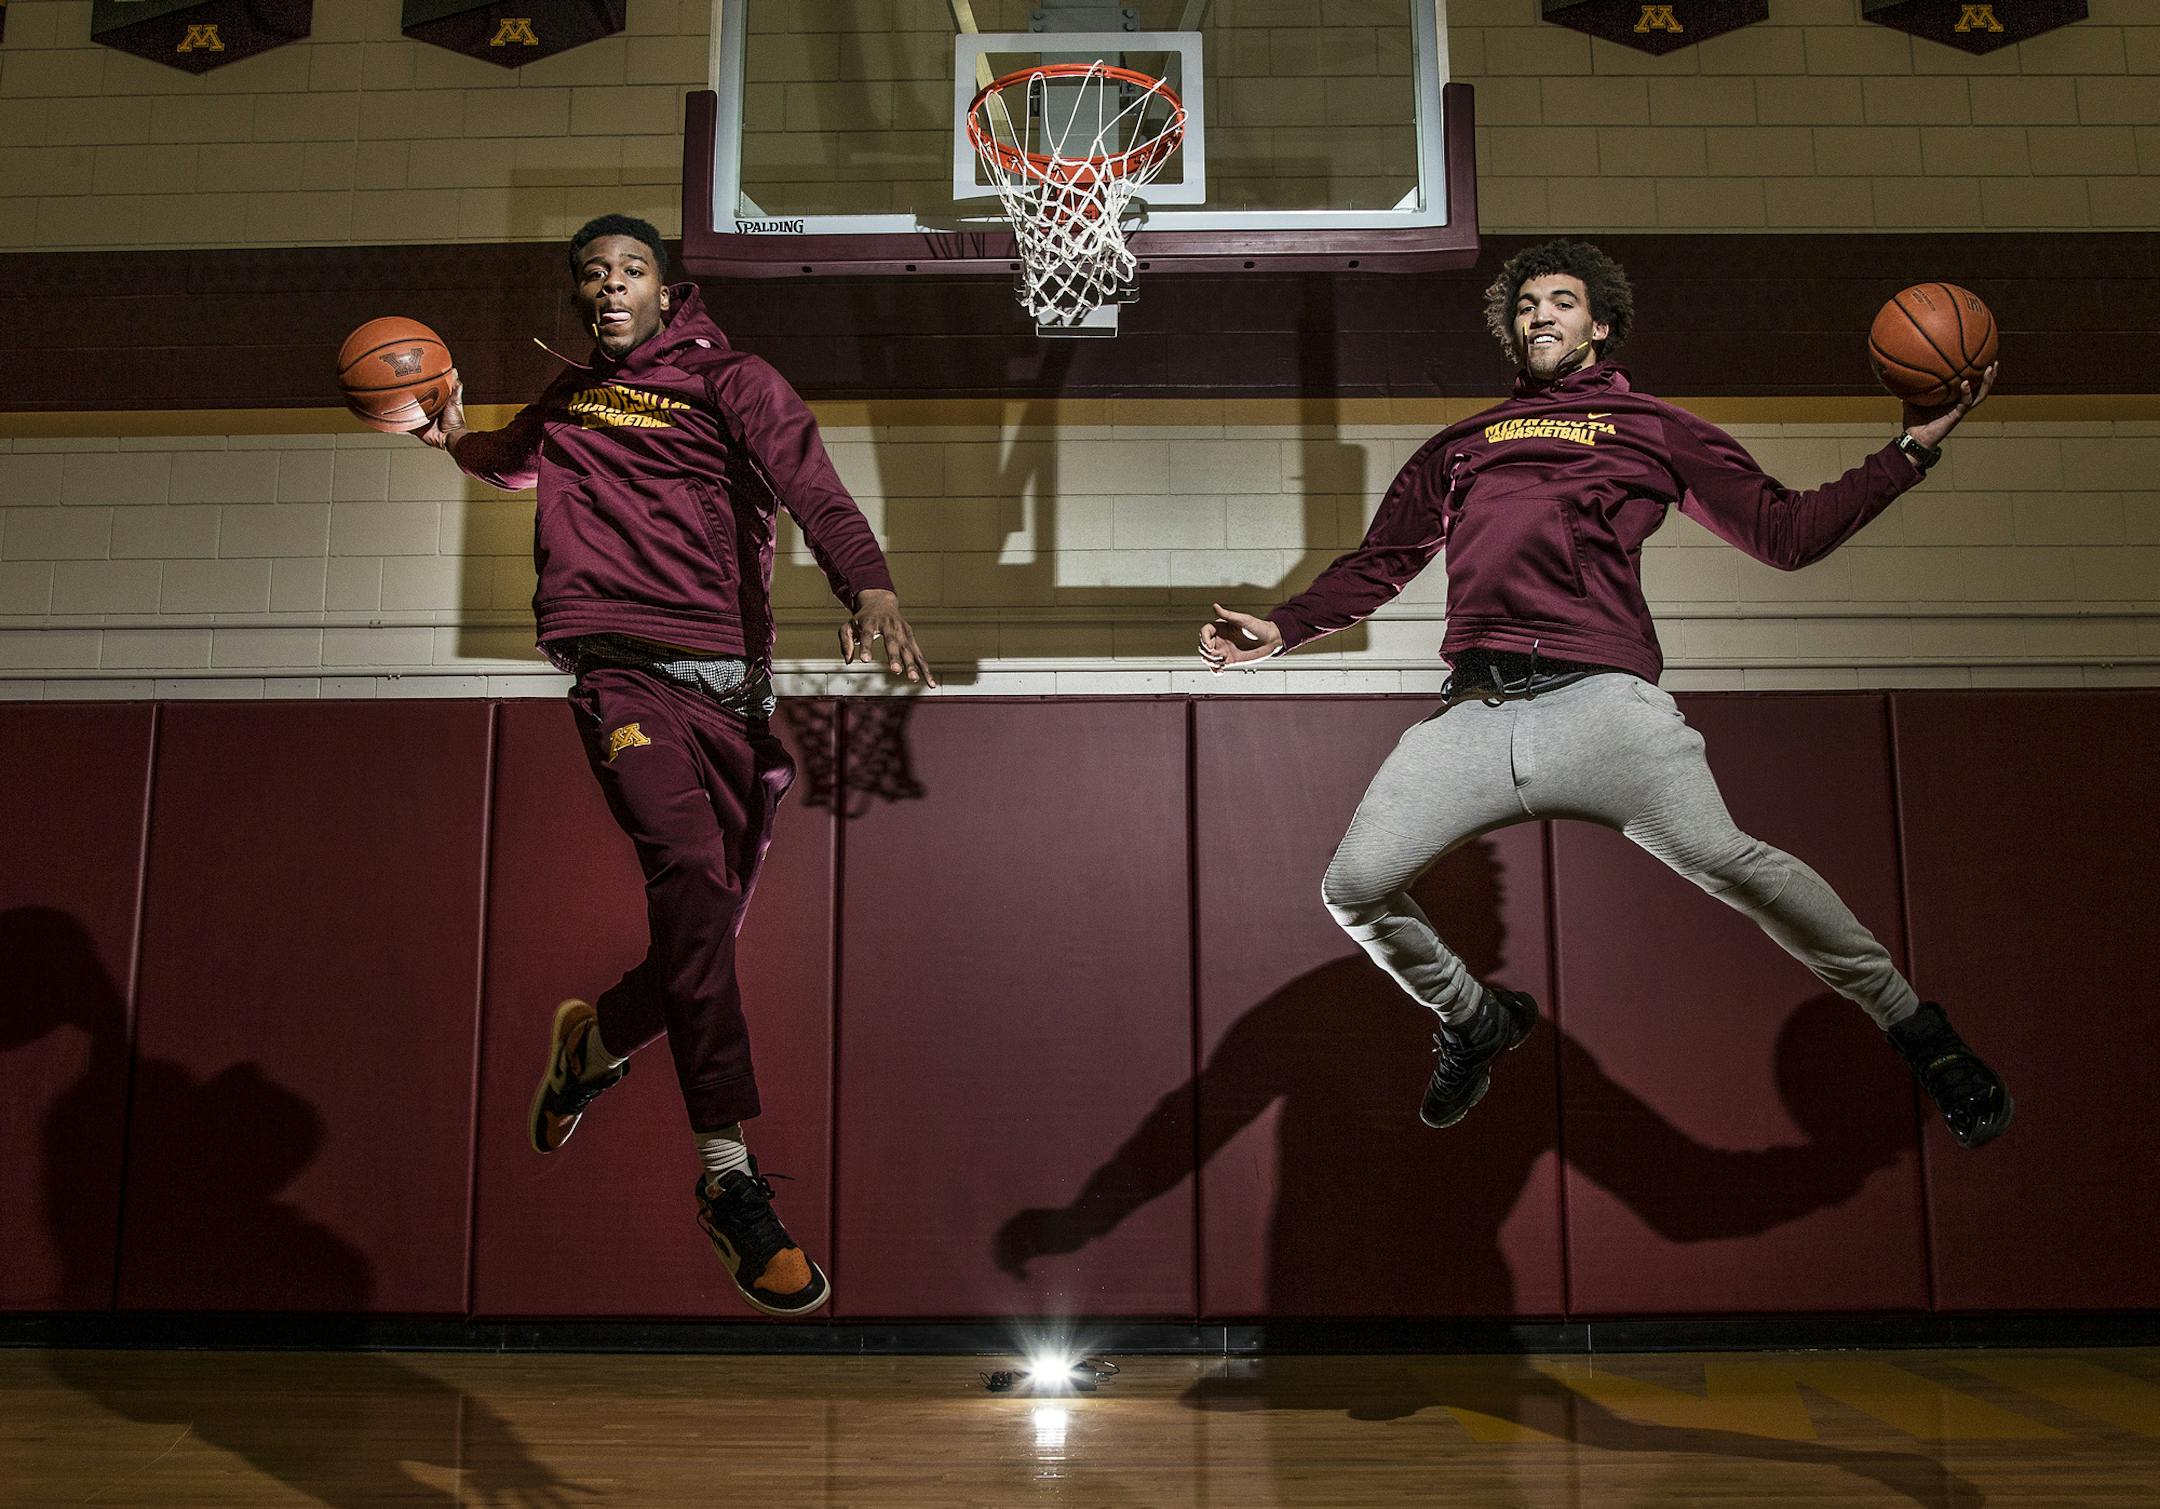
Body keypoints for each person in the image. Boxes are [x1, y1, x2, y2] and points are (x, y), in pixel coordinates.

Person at [1199, 238, 2011, 1151]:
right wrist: (1284, 626)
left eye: (1560, 301)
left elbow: (1786, 534)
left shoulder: (1655, 429)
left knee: (1738, 865)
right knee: (1353, 886)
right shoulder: (1461, 445)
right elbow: (1382, 562)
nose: (1539, 315)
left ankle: (1918, 1029)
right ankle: (1475, 1018)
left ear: (1601, 324)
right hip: (1474, 710)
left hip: (1600, 705)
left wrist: (1911, 448)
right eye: (1525, 305)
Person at [419, 213, 935, 1316]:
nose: (609, 286)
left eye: (631, 270)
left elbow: (813, 487)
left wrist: (869, 583)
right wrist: (452, 439)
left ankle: (593, 1045)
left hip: (733, 696)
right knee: (691, 888)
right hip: (620, 675)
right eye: (592, 276)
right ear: (583, 301)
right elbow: (508, 464)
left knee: (703, 934)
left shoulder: (733, 380)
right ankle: (730, 1182)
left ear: (667, 290)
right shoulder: (569, 404)